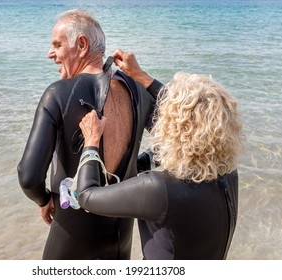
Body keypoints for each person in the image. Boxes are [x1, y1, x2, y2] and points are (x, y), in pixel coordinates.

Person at [17, 10, 158, 259]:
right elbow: (183, 133)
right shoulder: (139, 91)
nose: (50, 54)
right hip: (121, 242)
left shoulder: (58, 94)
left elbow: (28, 176)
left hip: (71, 241)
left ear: (81, 45)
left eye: (57, 44)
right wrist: (141, 165)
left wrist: (43, 199)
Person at [76, 60, 244, 259]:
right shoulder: (228, 174)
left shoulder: (157, 189)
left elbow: (86, 196)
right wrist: (142, 77)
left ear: (174, 124)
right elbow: (196, 111)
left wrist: (91, 141)